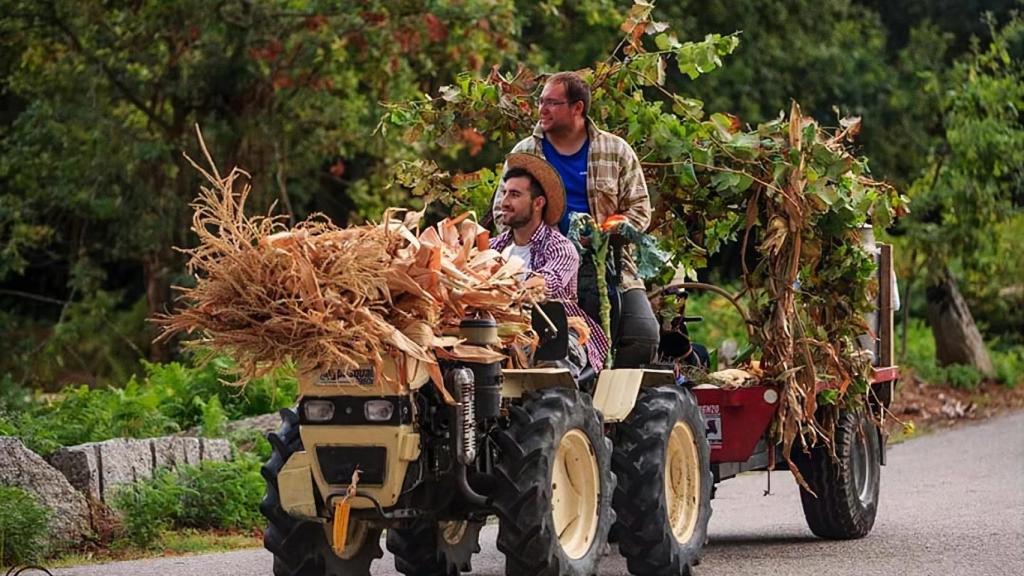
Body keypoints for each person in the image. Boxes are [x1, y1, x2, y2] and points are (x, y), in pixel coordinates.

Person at [492, 71, 659, 367]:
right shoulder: (525, 152)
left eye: (552, 103)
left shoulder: (616, 150)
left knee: (643, 333)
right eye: (540, 101)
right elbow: (501, 211)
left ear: (577, 108)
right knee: (544, 342)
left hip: (610, 267)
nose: (542, 109)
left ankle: (613, 403)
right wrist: (546, 238)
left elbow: (640, 211)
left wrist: (605, 233)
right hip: (542, 264)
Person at [491, 152, 609, 375]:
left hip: (554, 332)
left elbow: (544, 284)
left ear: (538, 203)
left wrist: (510, 292)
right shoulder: (491, 248)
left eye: (514, 195)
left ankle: (559, 405)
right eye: (505, 193)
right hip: (500, 334)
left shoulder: (561, 248)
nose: (504, 202)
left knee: (551, 355)